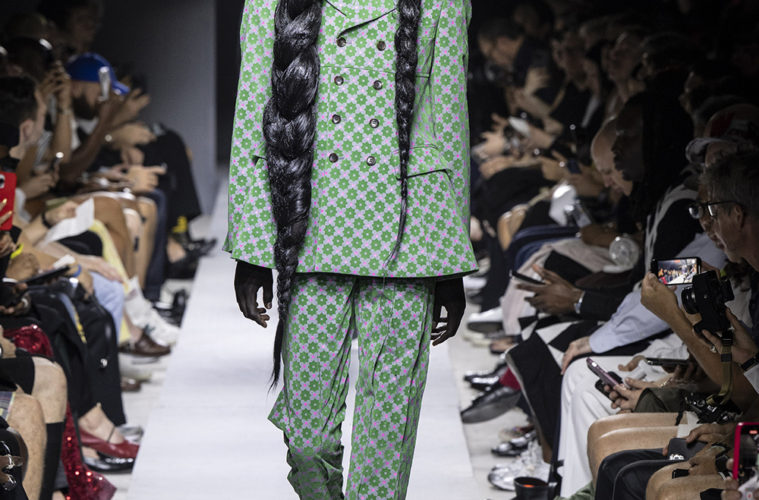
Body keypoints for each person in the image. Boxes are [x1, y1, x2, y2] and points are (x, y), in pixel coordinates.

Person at [227, 0, 476, 498]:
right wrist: (252, 249)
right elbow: (254, 119)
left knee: (387, 432)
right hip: (311, 227)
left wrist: (449, 260)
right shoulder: (270, 3)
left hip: (409, 235)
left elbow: (449, 125)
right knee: (308, 441)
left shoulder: (441, 3)